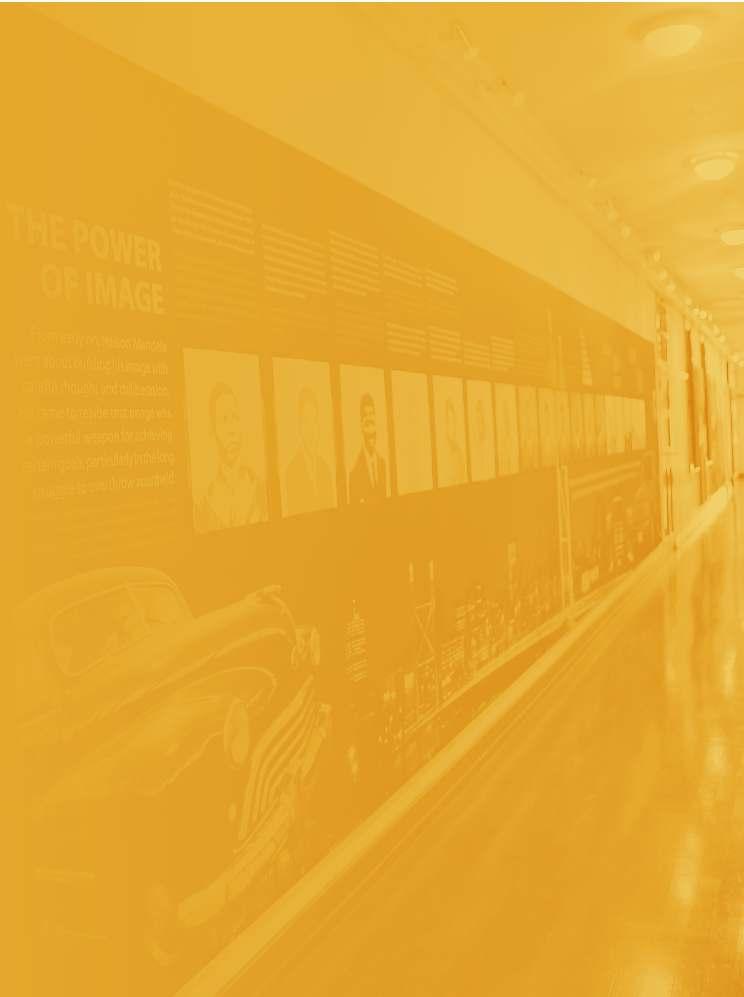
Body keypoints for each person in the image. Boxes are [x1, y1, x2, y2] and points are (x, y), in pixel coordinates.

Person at [194, 381, 267, 532]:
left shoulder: (258, 488)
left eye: (235, 417)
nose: (231, 430)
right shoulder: (205, 501)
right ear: (213, 430)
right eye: (224, 419)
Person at [285, 386, 334, 515]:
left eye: (314, 420)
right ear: (299, 426)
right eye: (306, 421)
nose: (311, 428)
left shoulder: (325, 470)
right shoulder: (292, 472)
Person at [348, 392, 387, 504]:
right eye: (366, 415)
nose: (370, 419)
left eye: (372, 414)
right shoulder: (354, 474)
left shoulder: (382, 465)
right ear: (361, 425)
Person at [442, 396, 467, 485]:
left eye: (453, 422)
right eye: (449, 422)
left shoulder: (459, 451)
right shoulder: (443, 451)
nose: (452, 427)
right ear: (445, 424)